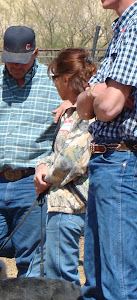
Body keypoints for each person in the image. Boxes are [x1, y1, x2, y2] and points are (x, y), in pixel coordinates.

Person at [0, 25, 70, 277]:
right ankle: (33, 245)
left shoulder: (54, 83)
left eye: (21, 61)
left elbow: (77, 125)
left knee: (30, 259)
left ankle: (31, 261)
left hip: (33, 181)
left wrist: (73, 102)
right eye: (10, 60)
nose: (15, 66)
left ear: (35, 53)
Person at [77, 1, 137, 299]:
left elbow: (108, 106)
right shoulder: (122, 29)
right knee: (98, 275)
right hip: (107, 162)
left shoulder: (135, 27)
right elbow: (85, 108)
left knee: (118, 278)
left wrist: (102, 94)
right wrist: (96, 92)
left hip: (121, 161)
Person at [27, 47, 97, 285]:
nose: (54, 83)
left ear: (66, 78)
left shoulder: (90, 112)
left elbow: (72, 159)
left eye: (55, 77)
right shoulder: (70, 113)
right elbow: (58, 153)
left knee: (62, 279)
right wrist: (41, 167)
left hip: (75, 206)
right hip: (60, 205)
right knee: (54, 270)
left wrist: (47, 177)